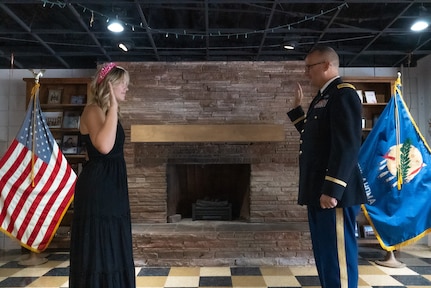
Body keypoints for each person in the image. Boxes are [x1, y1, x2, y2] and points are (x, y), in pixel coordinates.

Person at [287, 46, 367, 288]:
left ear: (326, 65)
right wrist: (296, 112)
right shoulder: (323, 97)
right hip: (318, 191)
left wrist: (332, 190)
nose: (306, 72)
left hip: (333, 194)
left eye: (309, 67)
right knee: (325, 254)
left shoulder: (343, 94)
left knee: (338, 257)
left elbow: (347, 144)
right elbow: (315, 139)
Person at [69, 62, 136, 288]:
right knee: (101, 243)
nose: (127, 88)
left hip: (112, 185)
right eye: (122, 85)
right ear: (109, 86)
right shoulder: (92, 110)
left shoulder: (106, 112)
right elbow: (105, 147)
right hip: (98, 188)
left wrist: (113, 108)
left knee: (113, 242)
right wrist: (114, 107)